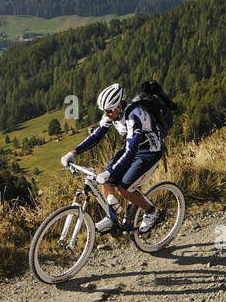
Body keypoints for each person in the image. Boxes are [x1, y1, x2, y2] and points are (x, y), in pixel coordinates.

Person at [61, 83, 163, 235]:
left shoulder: (133, 117)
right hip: (132, 149)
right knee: (105, 179)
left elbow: (130, 152)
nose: (106, 114)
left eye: (109, 111)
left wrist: (111, 172)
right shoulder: (112, 114)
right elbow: (97, 135)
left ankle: (152, 212)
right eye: (104, 111)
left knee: (124, 188)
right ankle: (113, 216)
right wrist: (73, 152)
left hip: (149, 151)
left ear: (119, 107)